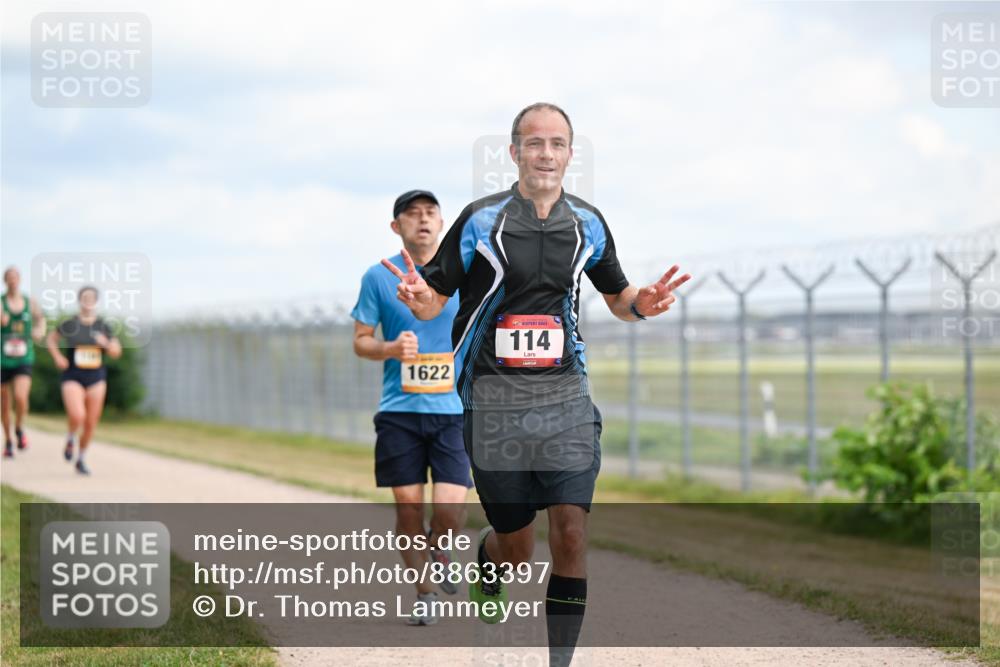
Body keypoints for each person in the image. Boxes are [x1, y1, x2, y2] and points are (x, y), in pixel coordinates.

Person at [382, 103, 690, 665]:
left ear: (571, 154)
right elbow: (434, 300)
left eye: (557, 143)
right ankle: (489, 558)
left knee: (571, 533)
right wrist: (417, 296)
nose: (545, 153)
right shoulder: (481, 220)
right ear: (514, 152)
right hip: (492, 402)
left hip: (566, 399)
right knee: (516, 551)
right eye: (534, 143)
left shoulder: (588, 223)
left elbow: (617, 297)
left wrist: (640, 305)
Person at [353, 189, 473, 626]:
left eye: (430, 213)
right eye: (411, 214)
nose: (422, 220)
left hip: (455, 410)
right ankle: (425, 593)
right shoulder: (378, 277)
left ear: (441, 223)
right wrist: (389, 347)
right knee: (407, 509)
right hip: (399, 411)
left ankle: (439, 549)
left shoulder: (466, 274)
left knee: (449, 511)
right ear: (396, 226)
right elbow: (360, 341)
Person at [46, 286, 122, 475]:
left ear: (96, 301)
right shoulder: (70, 324)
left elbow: (116, 352)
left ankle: (81, 459)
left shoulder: (104, 326)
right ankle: (71, 437)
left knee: (90, 423)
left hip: (96, 377)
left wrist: (105, 343)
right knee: (77, 415)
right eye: (84, 298)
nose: (88, 301)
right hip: (73, 375)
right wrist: (57, 357)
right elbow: (51, 339)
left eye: (92, 298)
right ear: (80, 300)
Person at [1, 266, 47, 457]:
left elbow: (40, 320)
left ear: (19, 280)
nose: (12, 281)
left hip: (24, 357)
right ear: (5, 281)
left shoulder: (30, 302)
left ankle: (19, 427)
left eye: (15, 277)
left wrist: (38, 332)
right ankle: (9, 440)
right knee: (4, 403)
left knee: (21, 397)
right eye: (9, 278)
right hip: (3, 359)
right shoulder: (1, 303)